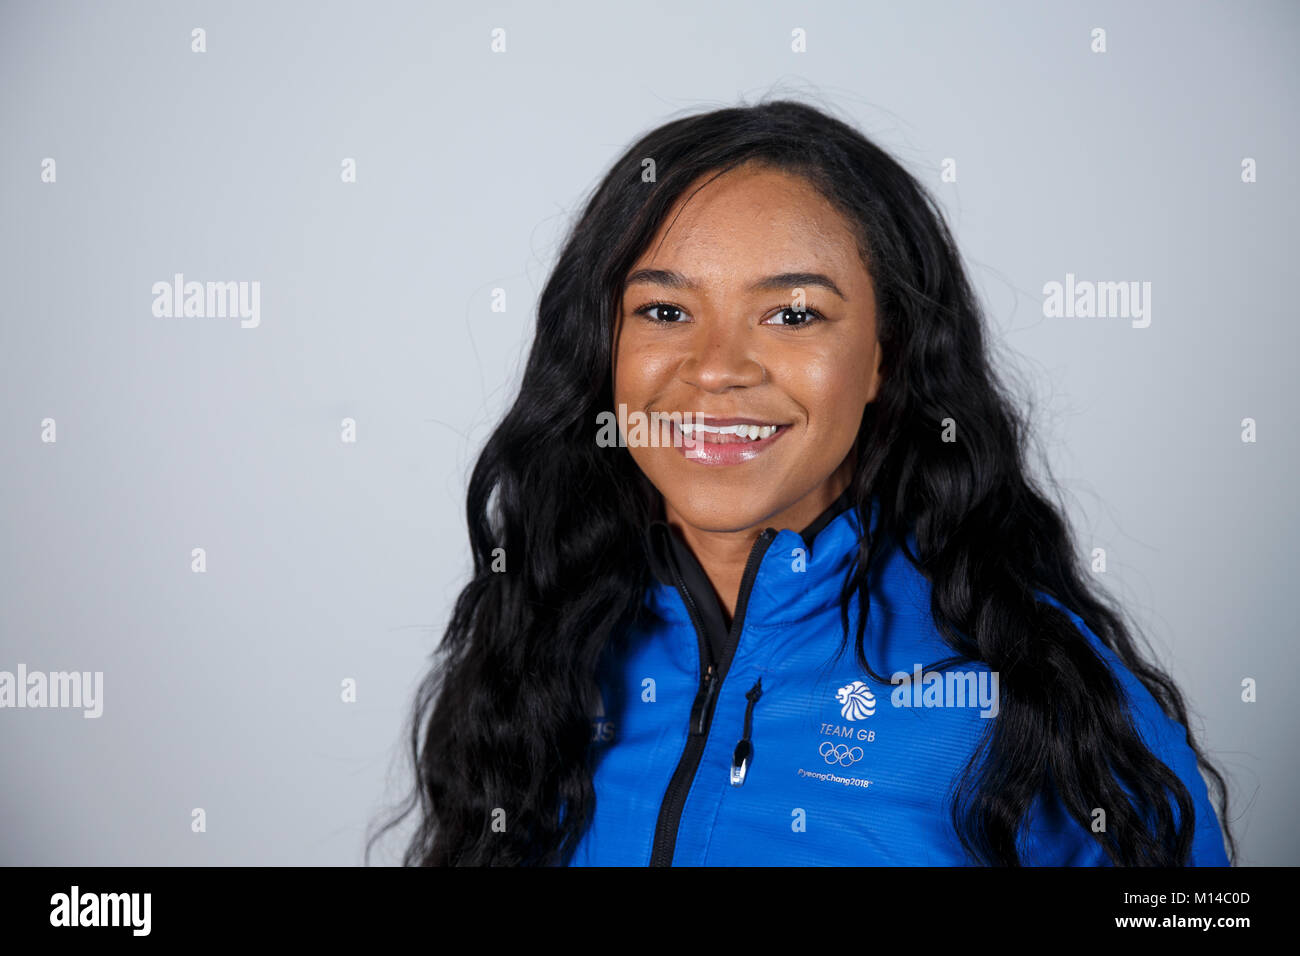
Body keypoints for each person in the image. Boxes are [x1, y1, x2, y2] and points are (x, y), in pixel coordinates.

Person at [372, 98, 1234, 866]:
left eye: (793, 313)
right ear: (603, 348)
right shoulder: (535, 648)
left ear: (885, 357)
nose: (717, 368)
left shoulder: (1035, 686)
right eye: (665, 311)